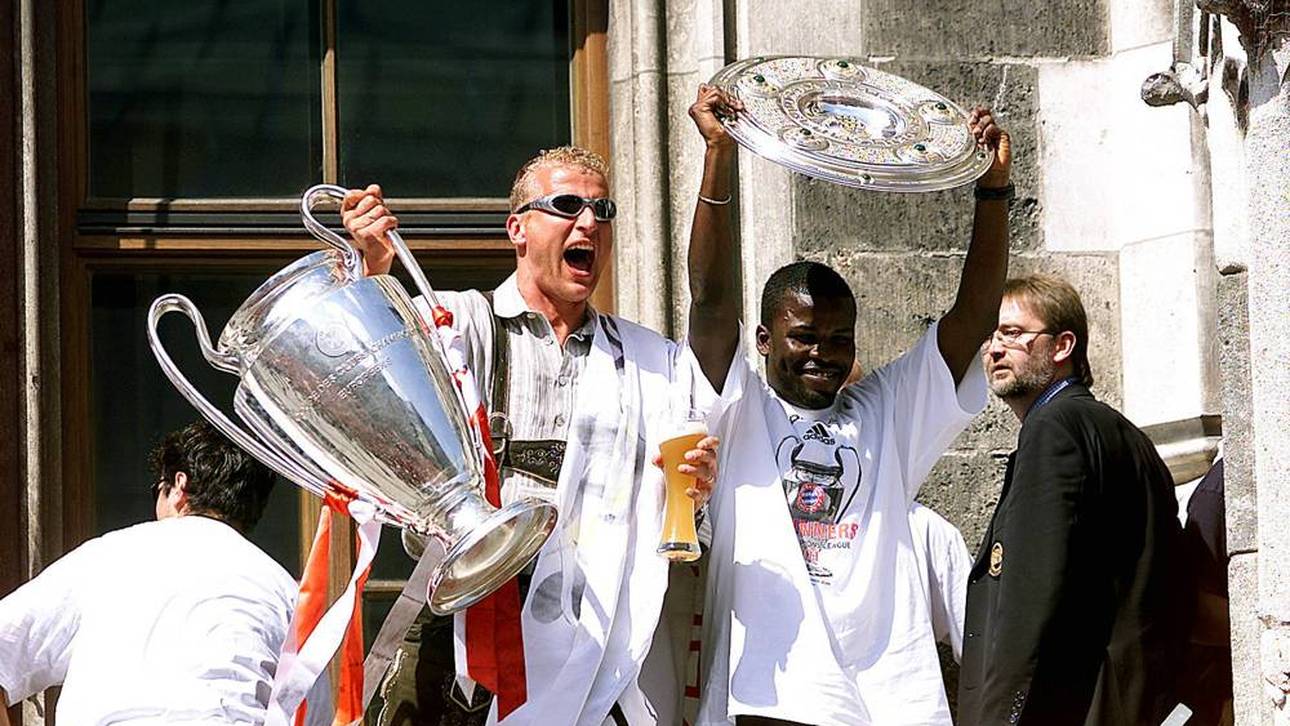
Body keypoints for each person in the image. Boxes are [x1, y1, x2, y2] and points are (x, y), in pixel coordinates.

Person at [342, 145, 719, 725]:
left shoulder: (652, 362)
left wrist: (696, 491)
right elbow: (368, 387)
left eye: (602, 210)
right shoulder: (456, 325)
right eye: (567, 206)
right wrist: (372, 273)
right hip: (468, 627)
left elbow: (682, 523)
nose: (589, 222)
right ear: (517, 229)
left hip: (593, 640)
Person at [683, 80, 1012, 725]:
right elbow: (711, 300)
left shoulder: (883, 413)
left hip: (889, 703)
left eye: (839, 339)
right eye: (804, 337)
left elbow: (972, 319)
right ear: (763, 339)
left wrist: (993, 191)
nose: (823, 354)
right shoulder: (739, 408)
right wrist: (719, 154)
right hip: (771, 701)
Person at [957, 274, 1185, 725]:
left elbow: (1030, 598)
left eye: (1013, 334)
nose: (995, 349)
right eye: (991, 336)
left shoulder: (1054, 428)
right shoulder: (1123, 434)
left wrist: (1001, 717)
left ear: (1062, 346)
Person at [0, 420, 329, 726]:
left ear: (179, 486)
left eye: (158, 489)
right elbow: (314, 713)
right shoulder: (283, 590)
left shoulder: (111, 555)